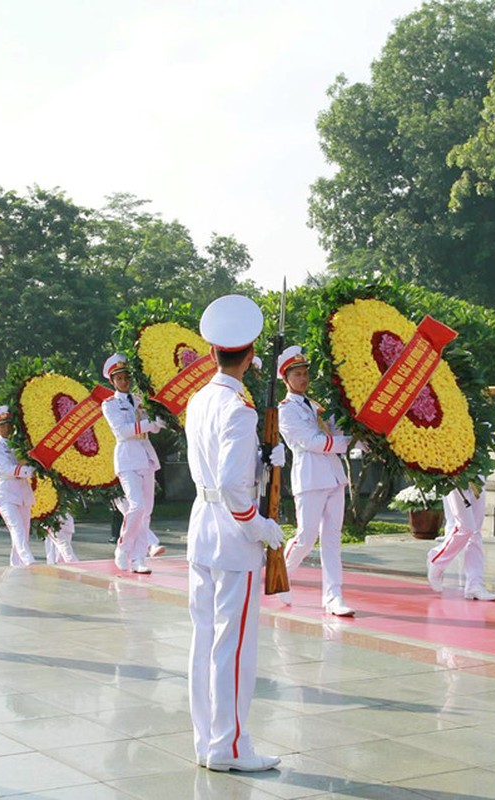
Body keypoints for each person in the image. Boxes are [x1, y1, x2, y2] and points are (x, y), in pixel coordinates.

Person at [185, 294, 286, 772]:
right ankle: (230, 747)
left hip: (201, 530)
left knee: (204, 641)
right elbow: (231, 485)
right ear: (250, 356)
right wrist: (261, 527)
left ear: (212, 354)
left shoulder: (200, 398)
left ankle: (208, 741)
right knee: (234, 645)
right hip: (233, 536)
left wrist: (265, 462)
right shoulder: (241, 408)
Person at [274, 346, 355, 616]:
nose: (303, 379)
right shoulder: (285, 410)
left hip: (333, 476)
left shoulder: (315, 405)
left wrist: (359, 435)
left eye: (305, 373)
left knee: (332, 540)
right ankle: (280, 576)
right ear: (285, 379)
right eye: (297, 374)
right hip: (309, 478)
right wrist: (347, 442)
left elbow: (334, 430)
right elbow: (311, 442)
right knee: (306, 537)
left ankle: (333, 597)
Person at [101, 353, 166, 575]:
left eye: (126, 377)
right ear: (112, 381)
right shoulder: (109, 404)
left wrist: (159, 421)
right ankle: (123, 547)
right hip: (127, 457)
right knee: (136, 505)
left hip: (146, 456)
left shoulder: (139, 399)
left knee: (146, 511)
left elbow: (154, 428)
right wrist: (149, 424)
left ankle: (138, 559)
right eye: (119, 378)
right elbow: (122, 431)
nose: (124, 381)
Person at [427, 481, 495, 601]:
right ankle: (437, 560)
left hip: (477, 470)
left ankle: (475, 584)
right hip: (453, 476)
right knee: (465, 527)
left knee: (475, 531)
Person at [0, 406, 37, 567]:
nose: (6, 428)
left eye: (8, 424)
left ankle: (16, 566)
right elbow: (5, 469)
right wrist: (30, 470)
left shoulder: (21, 444)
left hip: (22, 492)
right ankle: (29, 561)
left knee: (23, 531)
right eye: (2, 425)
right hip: (6, 493)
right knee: (17, 529)